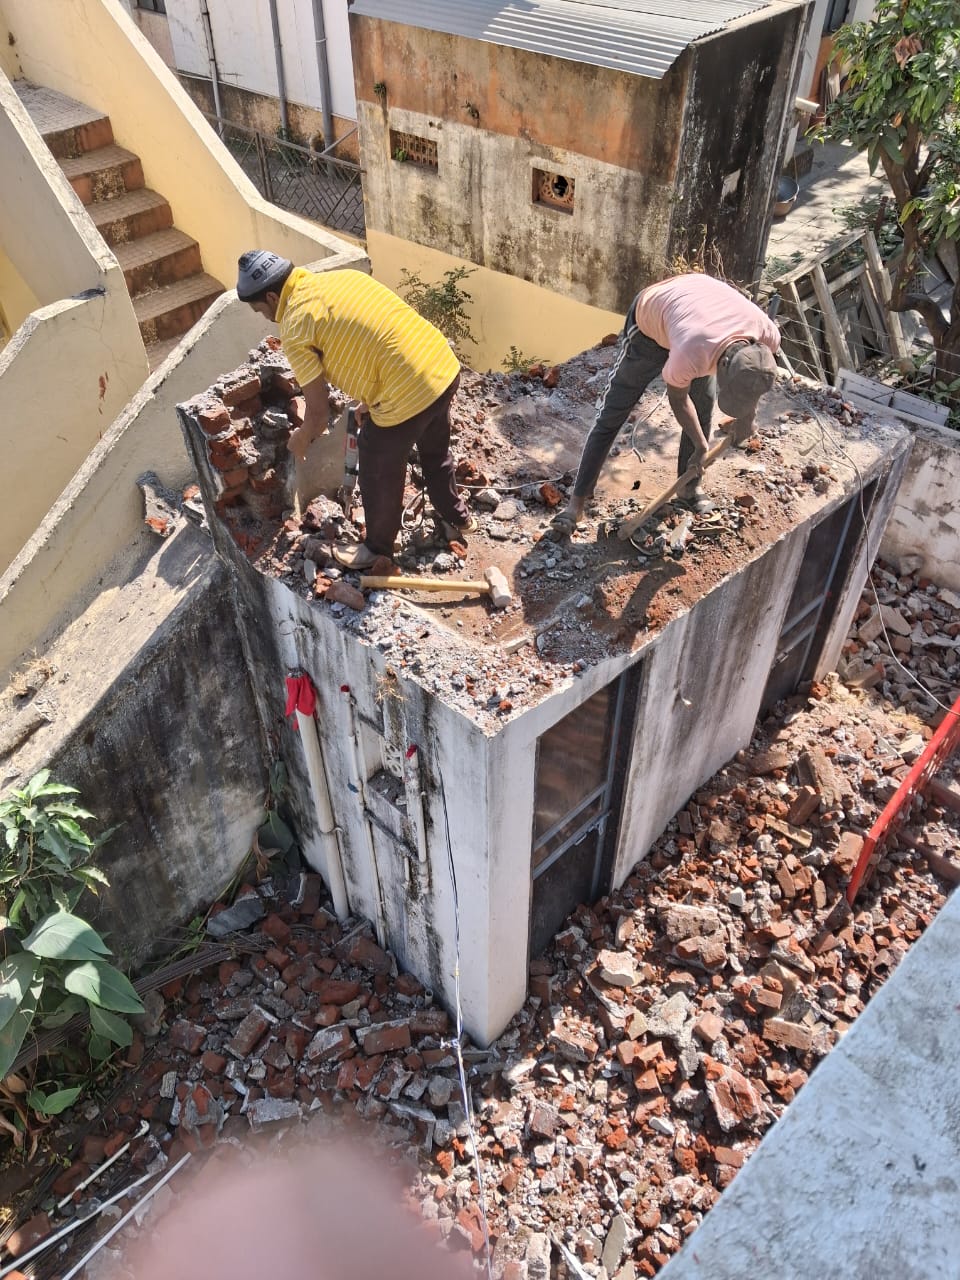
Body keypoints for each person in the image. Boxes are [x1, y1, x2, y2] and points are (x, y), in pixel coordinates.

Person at [236, 251, 477, 568]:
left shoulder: (295, 327)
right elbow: (377, 338)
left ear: (271, 297)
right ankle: (458, 517)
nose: (266, 317)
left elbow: (318, 415)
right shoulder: (344, 278)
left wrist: (301, 439)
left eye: (261, 310)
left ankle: (377, 549)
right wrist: (371, 398)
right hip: (441, 366)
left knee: (376, 458)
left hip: (409, 390)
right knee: (435, 450)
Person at [552, 273, 780, 534]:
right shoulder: (692, 351)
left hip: (699, 316)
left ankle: (688, 490)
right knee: (614, 409)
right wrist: (701, 445)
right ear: (724, 365)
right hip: (651, 322)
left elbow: (754, 385)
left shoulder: (767, 337)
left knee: (704, 403)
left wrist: (748, 419)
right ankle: (576, 504)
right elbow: (679, 400)